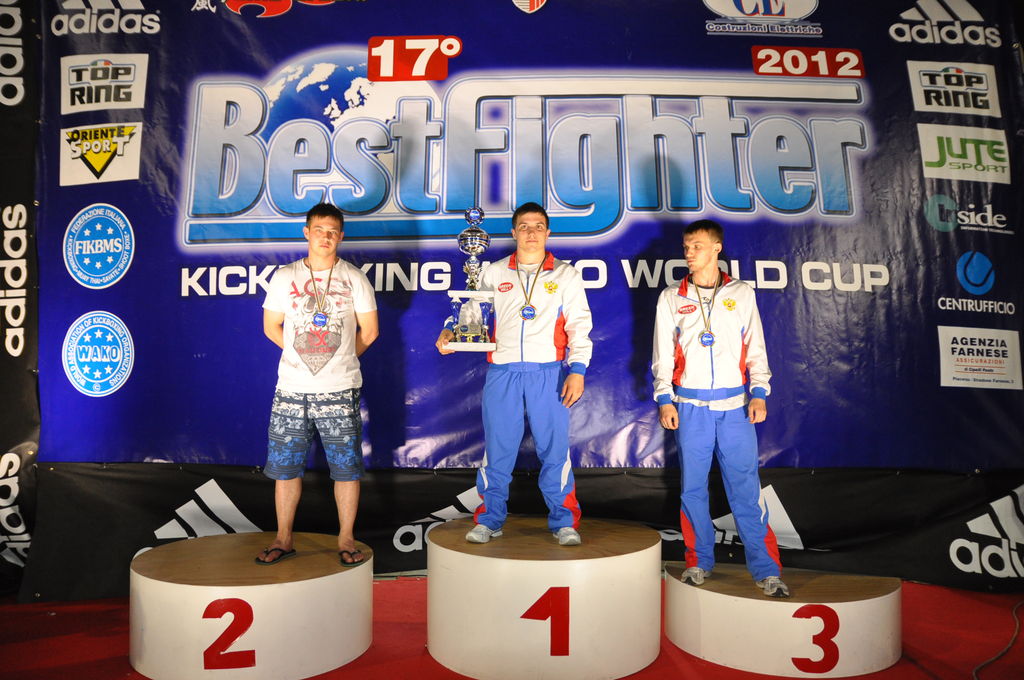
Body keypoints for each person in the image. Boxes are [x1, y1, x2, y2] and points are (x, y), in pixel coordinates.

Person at [436, 202, 593, 546]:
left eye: (538, 226)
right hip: (502, 372)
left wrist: (577, 370)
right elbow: (471, 311)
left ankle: (564, 522)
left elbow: (580, 326)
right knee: (497, 450)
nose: (531, 232)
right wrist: (451, 330)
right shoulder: (494, 272)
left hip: (548, 373)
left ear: (548, 232)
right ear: (513, 232)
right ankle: (489, 519)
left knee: (555, 451)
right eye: (524, 226)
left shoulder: (565, 275)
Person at [652, 219, 789, 597]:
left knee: (746, 490)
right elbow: (662, 355)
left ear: (716, 248)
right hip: (690, 406)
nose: (689, 253)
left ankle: (767, 570)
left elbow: (756, 346)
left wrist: (759, 391)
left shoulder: (741, 293)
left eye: (696, 246)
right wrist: (665, 398)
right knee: (692, 490)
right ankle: (698, 562)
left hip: (735, 408)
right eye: (686, 247)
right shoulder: (671, 297)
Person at [256, 202, 378, 566]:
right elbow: (271, 326)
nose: (326, 237)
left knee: (346, 469)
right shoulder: (285, 276)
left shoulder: (354, 278)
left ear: (341, 237)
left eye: (332, 232)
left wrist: (339, 357)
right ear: (307, 233)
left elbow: (370, 331)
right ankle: (283, 538)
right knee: (285, 468)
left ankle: (346, 539)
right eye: (319, 230)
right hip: (291, 390)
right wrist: (301, 354)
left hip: (340, 389)